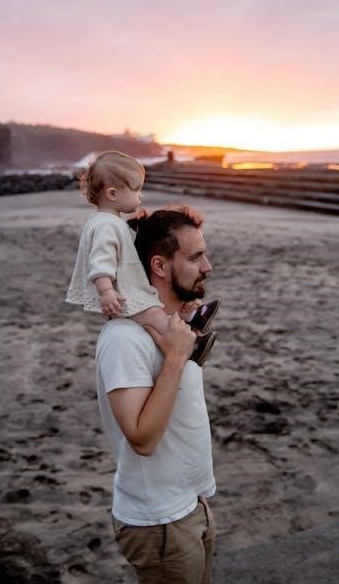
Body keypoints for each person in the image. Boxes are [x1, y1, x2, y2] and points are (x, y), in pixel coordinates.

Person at [96, 207, 217, 583]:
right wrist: (177, 358)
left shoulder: (172, 327)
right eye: (195, 257)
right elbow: (142, 439)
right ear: (159, 266)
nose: (208, 266)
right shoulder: (124, 340)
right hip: (159, 522)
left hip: (191, 504)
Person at [66, 150, 219, 365]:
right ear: (112, 194)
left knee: (155, 307)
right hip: (120, 293)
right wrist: (107, 291)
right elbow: (100, 262)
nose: (141, 196)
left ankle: (191, 317)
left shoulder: (112, 222)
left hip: (126, 286)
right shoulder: (105, 225)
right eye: (136, 189)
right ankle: (192, 344)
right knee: (153, 314)